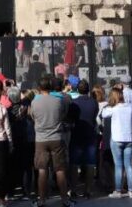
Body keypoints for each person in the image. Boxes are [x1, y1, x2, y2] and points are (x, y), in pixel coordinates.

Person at [30, 75, 75, 207]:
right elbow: (63, 115)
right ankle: (65, 200)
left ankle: (42, 200)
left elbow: (32, 116)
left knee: (42, 170)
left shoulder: (35, 102)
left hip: (41, 139)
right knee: (60, 170)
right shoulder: (58, 101)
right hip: (57, 137)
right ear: (50, 87)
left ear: (39, 87)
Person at [100, 87, 132, 198]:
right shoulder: (131, 107)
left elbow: (103, 114)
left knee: (118, 166)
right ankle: (131, 191)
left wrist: (107, 105)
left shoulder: (113, 108)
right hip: (129, 138)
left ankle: (118, 191)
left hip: (117, 139)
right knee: (128, 165)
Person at [68, 80, 98, 198]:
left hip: (76, 135)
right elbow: (95, 116)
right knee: (90, 164)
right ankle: (88, 190)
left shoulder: (73, 103)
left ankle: (74, 189)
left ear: (77, 89)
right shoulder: (94, 102)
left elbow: (70, 120)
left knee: (74, 164)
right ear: (88, 89)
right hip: (90, 135)